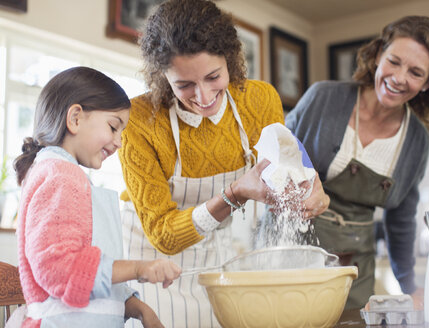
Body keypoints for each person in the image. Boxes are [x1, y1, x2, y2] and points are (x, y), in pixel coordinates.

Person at [117, 0, 330, 326]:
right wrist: (234, 195)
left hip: (218, 256)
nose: (202, 97)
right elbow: (163, 235)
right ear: (162, 77)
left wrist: (310, 189)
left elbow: (288, 165)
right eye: (184, 84)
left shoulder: (260, 99)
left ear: (230, 59)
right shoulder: (140, 122)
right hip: (152, 266)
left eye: (213, 76)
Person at [285, 16, 429, 310]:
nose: (399, 77)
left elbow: (401, 220)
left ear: (428, 82)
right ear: (379, 55)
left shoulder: (416, 141)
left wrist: (410, 286)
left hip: (352, 271)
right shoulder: (323, 98)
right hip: (289, 256)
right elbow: (277, 153)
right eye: (394, 61)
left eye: (416, 72)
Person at [13, 66, 181, 328]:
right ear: (76, 118)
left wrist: (138, 308)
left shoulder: (65, 175)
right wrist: (139, 268)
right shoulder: (60, 176)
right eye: (114, 127)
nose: (119, 141)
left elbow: (89, 274)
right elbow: (59, 269)